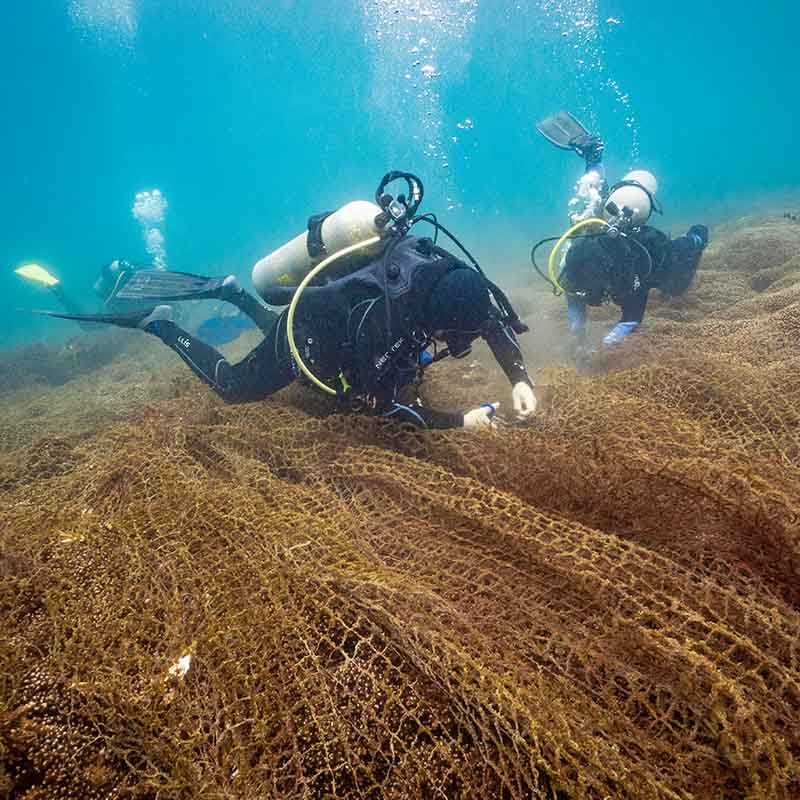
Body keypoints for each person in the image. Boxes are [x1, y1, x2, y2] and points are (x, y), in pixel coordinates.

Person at [37, 173, 538, 430]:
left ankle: (235, 294)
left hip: (328, 303)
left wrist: (519, 377)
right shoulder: (383, 325)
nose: (458, 344)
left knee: (354, 340)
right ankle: (160, 323)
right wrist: (460, 421)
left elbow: (488, 317)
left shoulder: (446, 272)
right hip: (309, 332)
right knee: (233, 387)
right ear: (436, 319)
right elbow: (382, 406)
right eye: (453, 337)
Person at [535, 110, 709, 361]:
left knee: (676, 279)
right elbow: (624, 318)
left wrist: (596, 344)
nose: (586, 293)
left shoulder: (626, 265)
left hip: (639, 245)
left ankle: (696, 237)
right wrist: (583, 337)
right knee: (594, 203)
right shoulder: (582, 253)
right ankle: (594, 160)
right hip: (620, 226)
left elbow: (630, 319)